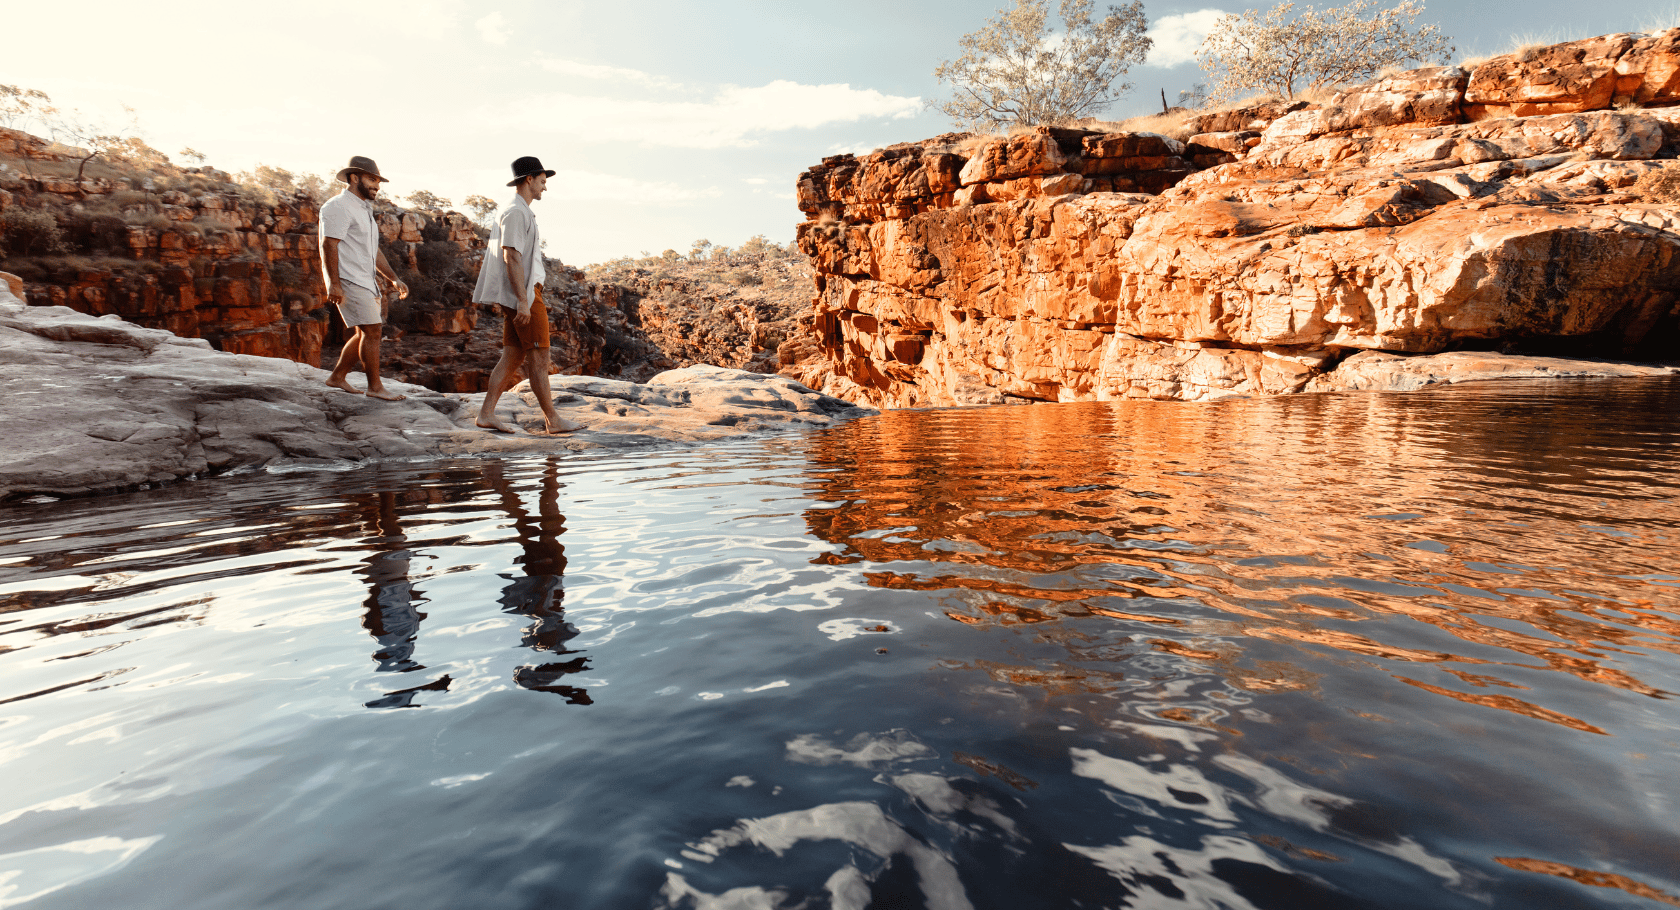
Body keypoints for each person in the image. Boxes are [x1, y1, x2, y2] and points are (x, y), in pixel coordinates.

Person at [471, 156, 577, 434]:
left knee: (512, 357)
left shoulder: (518, 210)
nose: (545, 187)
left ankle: (486, 414)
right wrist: (522, 301)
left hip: (520, 295)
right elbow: (512, 257)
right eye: (542, 181)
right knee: (540, 359)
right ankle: (553, 420)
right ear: (529, 179)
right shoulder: (516, 212)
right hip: (524, 296)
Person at [319, 155, 409, 401]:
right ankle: (375, 387)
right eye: (372, 179)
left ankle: (337, 377)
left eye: (378, 181)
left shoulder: (363, 209)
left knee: (363, 332)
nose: (377, 186)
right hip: (349, 280)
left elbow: (373, 250)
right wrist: (334, 283)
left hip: (366, 280)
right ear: (354, 177)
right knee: (373, 331)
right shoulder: (338, 206)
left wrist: (393, 278)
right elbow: (329, 245)